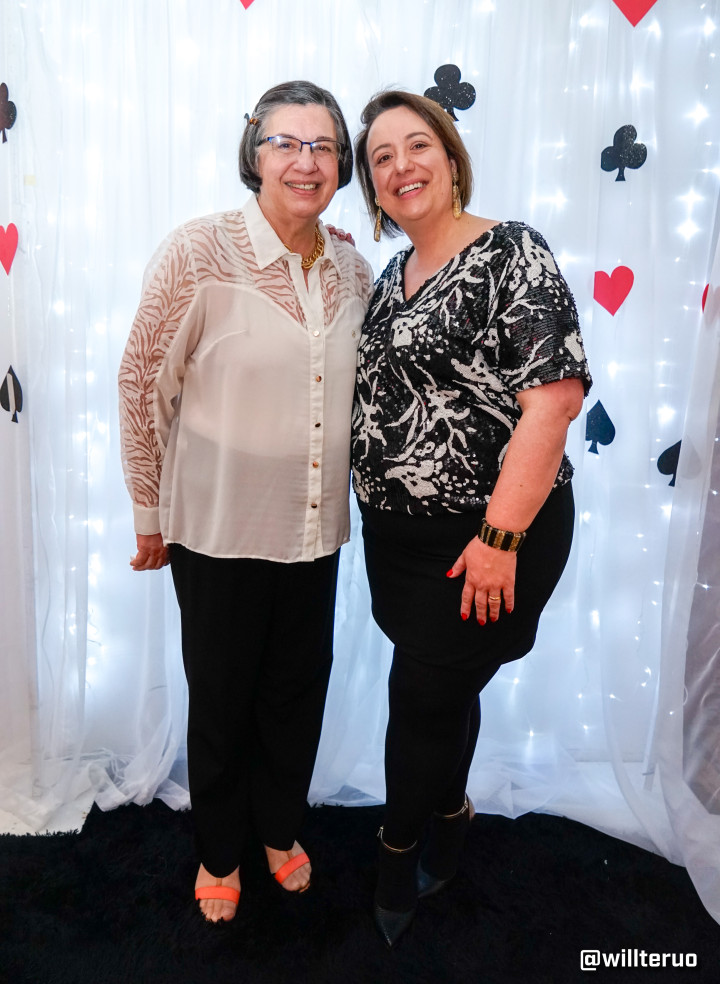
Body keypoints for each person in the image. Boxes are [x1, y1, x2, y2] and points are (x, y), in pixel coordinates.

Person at [118, 80, 374, 923]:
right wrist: (148, 513)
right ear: (254, 155)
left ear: (342, 164)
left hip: (314, 528)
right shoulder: (198, 251)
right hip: (219, 527)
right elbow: (141, 382)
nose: (306, 161)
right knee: (223, 699)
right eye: (286, 143)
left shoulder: (354, 268)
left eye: (324, 146)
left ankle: (278, 828)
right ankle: (220, 851)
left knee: (297, 693)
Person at [351, 90, 592, 946]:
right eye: (381, 157)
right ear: (372, 186)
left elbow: (552, 403)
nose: (401, 166)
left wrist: (499, 538)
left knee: (419, 694)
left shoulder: (510, 251)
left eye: (417, 145)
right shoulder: (391, 275)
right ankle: (451, 810)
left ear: (451, 160)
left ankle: (396, 853)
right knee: (442, 686)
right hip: (398, 543)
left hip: (489, 536)